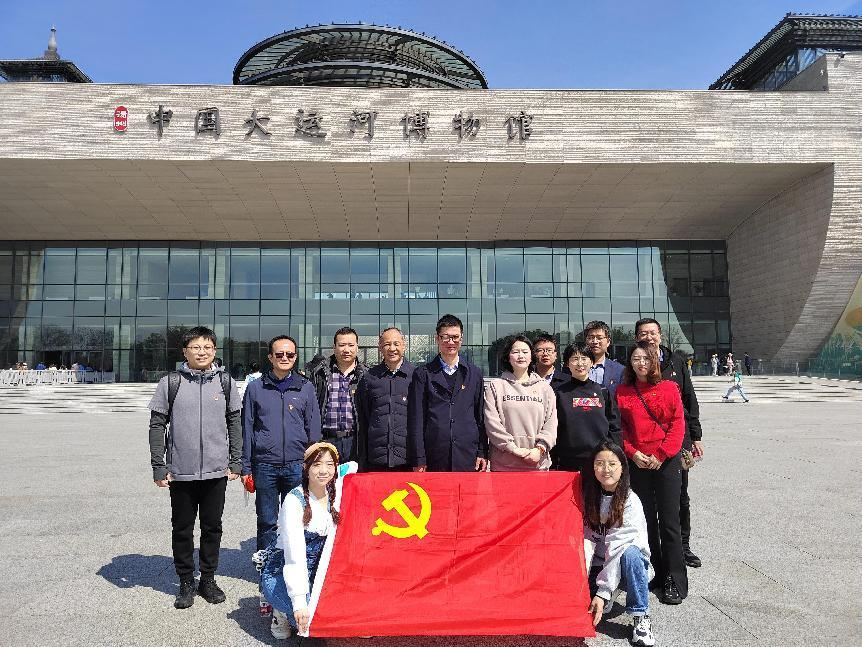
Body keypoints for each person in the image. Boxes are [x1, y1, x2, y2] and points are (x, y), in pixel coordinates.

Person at [147, 326, 242, 609]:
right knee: (182, 528)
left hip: (216, 471)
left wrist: (236, 460)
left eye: (207, 347)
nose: (202, 352)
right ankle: (186, 580)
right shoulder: (170, 382)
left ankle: (208, 579)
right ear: (185, 351)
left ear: (214, 350)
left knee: (213, 528)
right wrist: (159, 466)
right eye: (196, 347)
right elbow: (157, 425)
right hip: (181, 471)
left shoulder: (225, 382)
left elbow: (235, 423)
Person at [260, 442, 357, 639]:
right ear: (305, 467)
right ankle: (280, 611)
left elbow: (353, 466)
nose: (323, 471)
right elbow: (294, 557)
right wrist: (299, 602)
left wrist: (339, 469)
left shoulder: (336, 491)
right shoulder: (294, 501)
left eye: (329, 465)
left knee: (343, 617)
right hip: (283, 570)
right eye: (317, 464)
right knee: (312, 623)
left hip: (321, 571)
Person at [615, 342, 687, 605]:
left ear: (655, 361)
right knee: (645, 521)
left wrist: (661, 455)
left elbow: (677, 424)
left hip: (665, 462)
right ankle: (656, 572)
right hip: (638, 462)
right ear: (630, 363)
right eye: (636, 358)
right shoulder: (622, 391)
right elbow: (620, 429)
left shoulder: (669, 388)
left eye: (646, 358)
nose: (641, 363)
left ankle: (675, 579)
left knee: (669, 521)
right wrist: (633, 453)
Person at [635, 318, 704, 570]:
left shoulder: (675, 361)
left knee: (680, 495)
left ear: (660, 335)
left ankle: (683, 546)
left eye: (652, 333)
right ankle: (650, 548)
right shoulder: (634, 363)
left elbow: (689, 399)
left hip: (678, 438)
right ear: (637, 338)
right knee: (647, 499)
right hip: (645, 441)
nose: (648, 337)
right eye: (643, 333)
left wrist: (696, 435)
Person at [242, 335, 322, 552]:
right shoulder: (256, 388)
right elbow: (247, 427)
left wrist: (312, 463)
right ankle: (266, 563)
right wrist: (246, 467)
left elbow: (313, 427)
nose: (284, 358)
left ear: (295, 357)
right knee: (267, 521)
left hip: (297, 465)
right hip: (264, 464)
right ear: (270, 357)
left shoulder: (305, 387)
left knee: (296, 519)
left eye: (290, 354)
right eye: (279, 354)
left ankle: (292, 562)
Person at [583, 441, 655, 647]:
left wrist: (602, 592)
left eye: (612, 464)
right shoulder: (588, 496)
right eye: (599, 463)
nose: (606, 469)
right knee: (585, 607)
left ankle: (641, 616)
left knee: (631, 553)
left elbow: (618, 547)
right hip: (598, 565)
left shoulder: (630, 501)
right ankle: (607, 593)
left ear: (622, 467)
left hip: (626, 565)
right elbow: (585, 541)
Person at [408, 314, 488, 472]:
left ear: (461, 339)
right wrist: (419, 457)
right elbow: (416, 418)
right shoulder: (423, 374)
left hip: (467, 454)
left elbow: (480, 416)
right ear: (437, 339)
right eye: (445, 337)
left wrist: (482, 451)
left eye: (455, 337)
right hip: (434, 455)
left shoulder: (474, 373)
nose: (451, 342)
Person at [483, 334, 557, 471]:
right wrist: (512, 448)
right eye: (516, 352)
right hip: (503, 466)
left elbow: (551, 424)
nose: (521, 356)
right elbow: (492, 423)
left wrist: (540, 449)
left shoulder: (544, 388)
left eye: (525, 352)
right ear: (508, 356)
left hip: (537, 464)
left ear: (531, 356)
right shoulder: (496, 386)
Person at [552, 342, 620, 473]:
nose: (580, 363)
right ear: (567, 364)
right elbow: (553, 427)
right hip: (568, 461)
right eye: (575, 359)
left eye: (584, 358)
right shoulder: (558, 393)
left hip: (599, 459)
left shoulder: (602, 391)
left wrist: (612, 452)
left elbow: (615, 425)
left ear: (591, 362)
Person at [355, 327, 415, 472]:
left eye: (396, 343)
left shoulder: (416, 376)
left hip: (407, 460)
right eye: (387, 344)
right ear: (380, 347)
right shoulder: (369, 378)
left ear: (404, 345)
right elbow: (364, 417)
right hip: (376, 459)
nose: (392, 348)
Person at [309, 327, 368, 463]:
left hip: (355, 441)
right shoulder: (320, 373)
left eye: (351, 345)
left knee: (354, 476)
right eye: (341, 345)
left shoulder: (366, 375)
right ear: (334, 347)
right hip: (326, 440)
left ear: (357, 347)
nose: (346, 350)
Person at [583, 321, 625, 400]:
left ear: (608, 342)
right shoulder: (575, 368)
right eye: (591, 337)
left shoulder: (620, 370)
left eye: (599, 338)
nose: (595, 341)